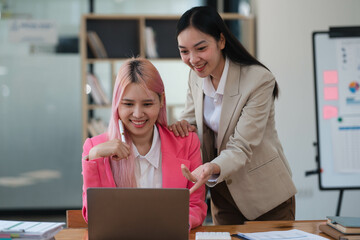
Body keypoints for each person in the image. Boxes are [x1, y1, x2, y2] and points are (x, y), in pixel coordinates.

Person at [168, 6, 297, 225]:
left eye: (200, 48)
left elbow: (241, 146)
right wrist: (183, 125)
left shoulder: (258, 80)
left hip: (266, 196)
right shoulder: (196, 76)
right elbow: (192, 119)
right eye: (184, 51)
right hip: (223, 196)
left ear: (221, 41)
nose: (193, 59)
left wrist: (210, 167)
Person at [81, 57, 207, 229]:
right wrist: (95, 157)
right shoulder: (94, 148)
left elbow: (195, 206)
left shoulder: (187, 143)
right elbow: (94, 216)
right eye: (128, 104)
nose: (138, 114)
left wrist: (174, 226)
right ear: (117, 104)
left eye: (147, 104)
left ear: (162, 100)